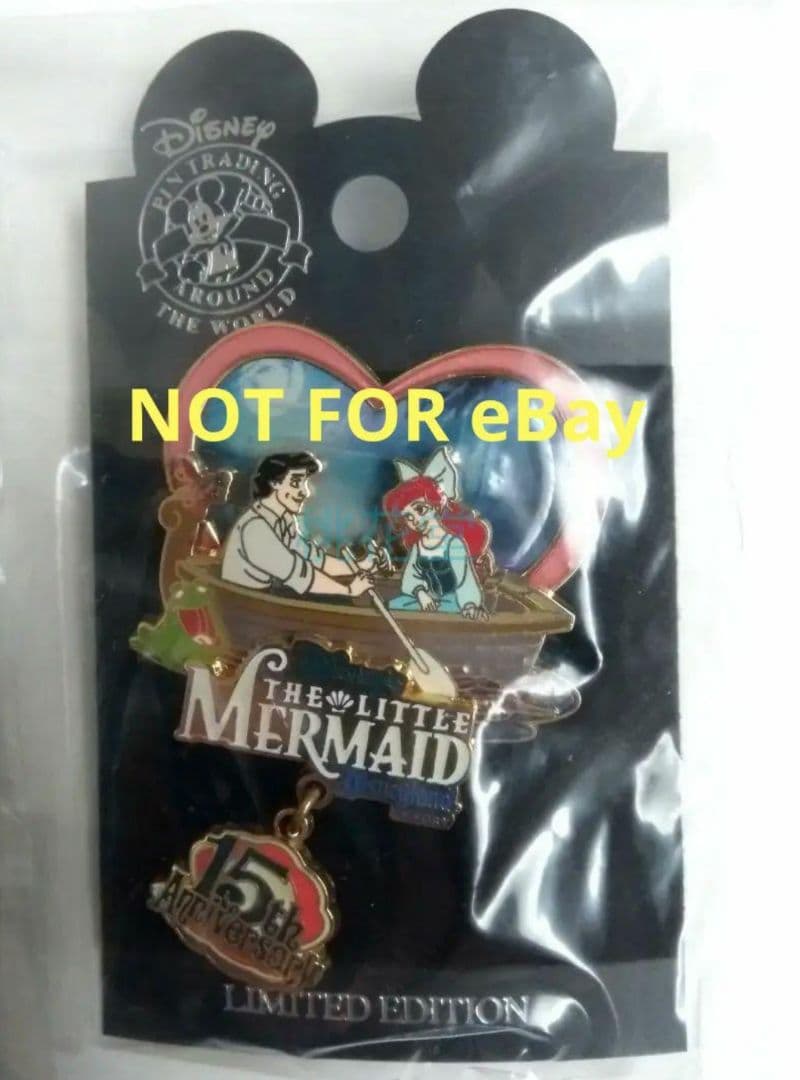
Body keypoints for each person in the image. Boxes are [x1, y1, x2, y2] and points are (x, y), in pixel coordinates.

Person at [221, 451, 380, 599]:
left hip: (265, 598)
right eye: (296, 483)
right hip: (245, 601)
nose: (306, 492)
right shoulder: (255, 528)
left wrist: (361, 566)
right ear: (274, 483)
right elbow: (299, 574)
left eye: (305, 483)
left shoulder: (285, 520)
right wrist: (349, 590)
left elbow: (314, 559)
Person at [382, 449, 492, 620]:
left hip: (453, 602)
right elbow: (410, 578)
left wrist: (470, 606)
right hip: (426, 601)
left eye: (420, 509)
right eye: (408, 517)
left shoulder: (454, 544)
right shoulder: (419, 546)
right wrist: (421, 594)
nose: (416, 519)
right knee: (393, 606)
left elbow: (465, 581)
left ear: (435, 505)